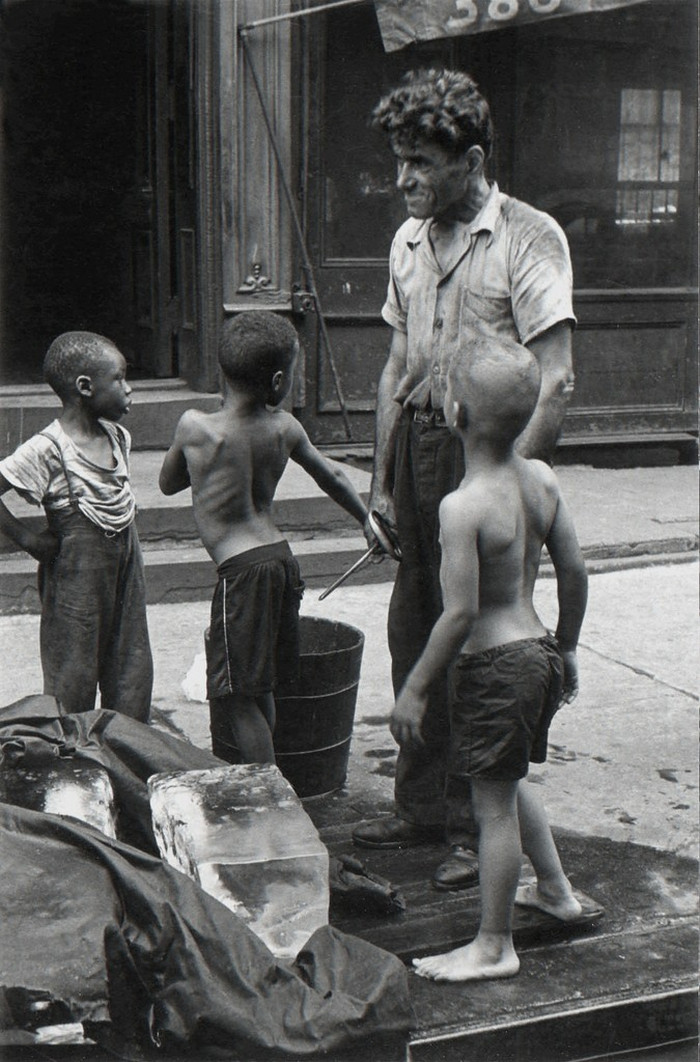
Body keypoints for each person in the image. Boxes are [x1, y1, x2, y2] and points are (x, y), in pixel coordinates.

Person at [353, 68, 577, 891]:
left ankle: (470, 823)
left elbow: (554, 379)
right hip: (419, 451)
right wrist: (379, 484)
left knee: (478, 645)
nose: (403, 179)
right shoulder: (407, 241)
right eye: (398, 161)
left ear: (471, 158)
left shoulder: (528, 236)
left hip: (489, 460)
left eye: (419, 163)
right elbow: (395, 368)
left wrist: (520, 489)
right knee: (416, 623)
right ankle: (420, 808)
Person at [392, 335, 588, 982]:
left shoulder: (462, 506)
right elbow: (575, 571)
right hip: (538, 653)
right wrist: (566, 647)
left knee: (492, 809)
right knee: (512, 781)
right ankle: (555, 890)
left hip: (495, 668)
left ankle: (494, 943)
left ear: (453, 415)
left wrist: (417, 685)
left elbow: (459, 614)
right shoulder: (542, 481)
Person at [159, 311, 369, 764]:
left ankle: (268, 790)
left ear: (222, 372)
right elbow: (332, 476)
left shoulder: (196, 427)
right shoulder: (285, 428)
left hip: (242, 573)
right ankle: (265, 773)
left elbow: (167, 482)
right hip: (278, 559)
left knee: (236, 696)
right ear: (278, 381)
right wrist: (366, 520)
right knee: (260, 685)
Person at [0, 332, 153, 720]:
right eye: (118, 379)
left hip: (124, 569)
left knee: (131, 665)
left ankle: (126, 755)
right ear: (85, 387)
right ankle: (75, 764)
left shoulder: (118, 436)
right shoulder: (47, 449)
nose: (128, 389)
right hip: (75, 579)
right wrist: (30, 540)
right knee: (74, 672)